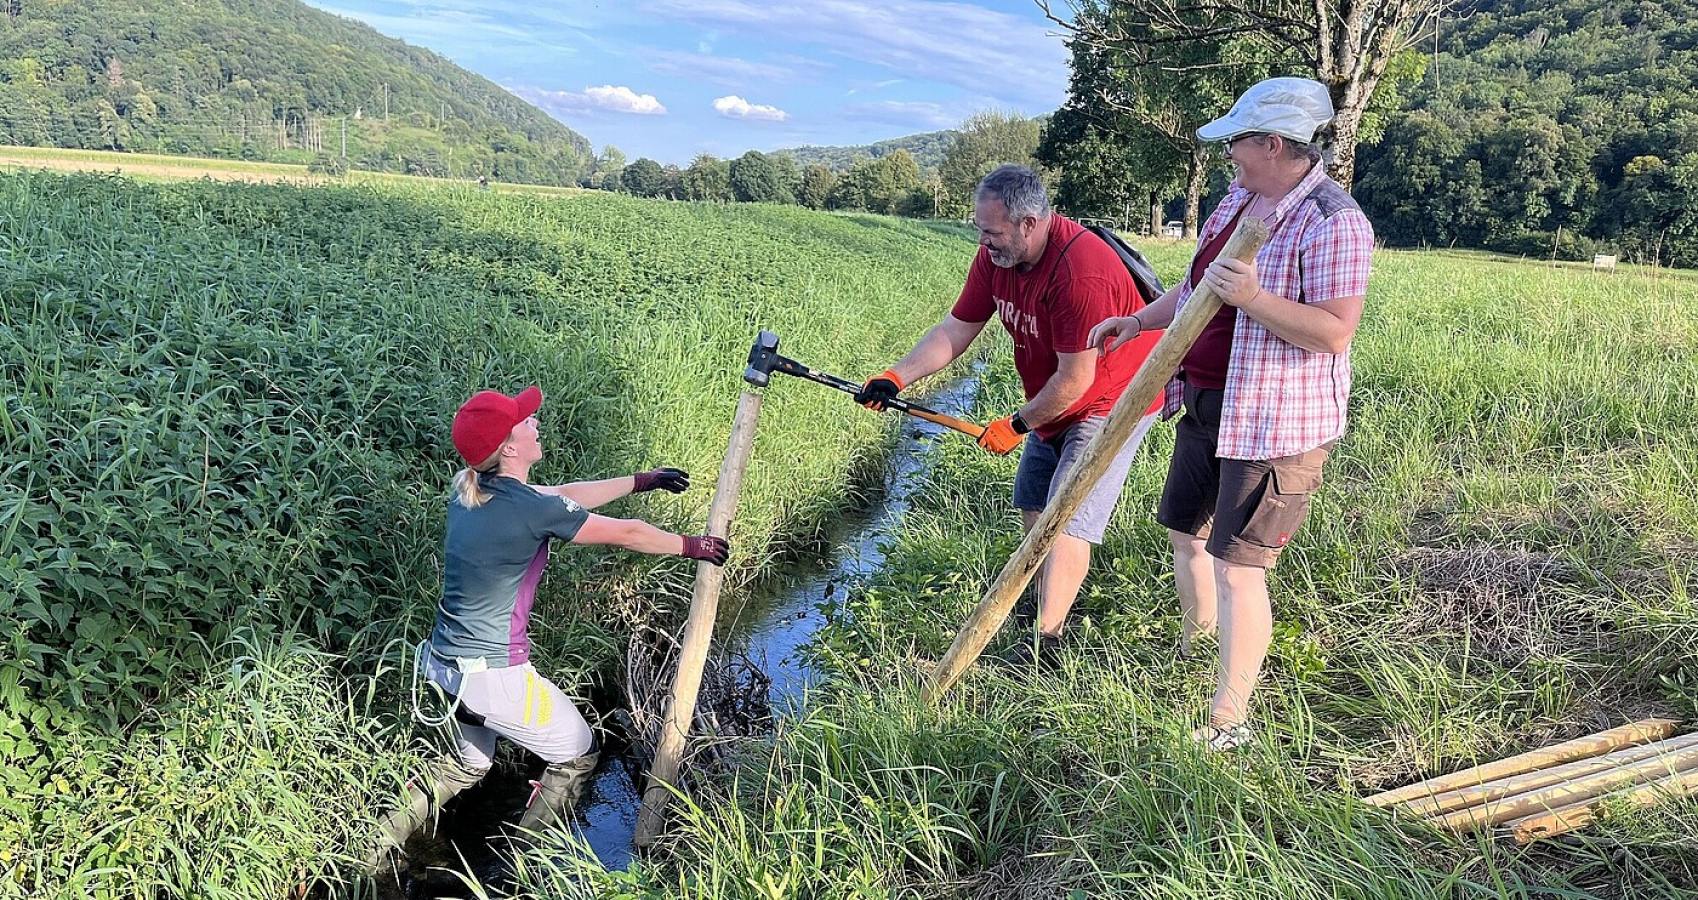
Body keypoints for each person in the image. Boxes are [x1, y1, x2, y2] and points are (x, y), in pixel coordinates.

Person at [1089, 78, 1374, 751]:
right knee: (1187, 535)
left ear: (1274, 144)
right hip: (1209, 403)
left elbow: (1334, 332)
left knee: (1240, 567)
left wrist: (1254, 297)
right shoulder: (1240, 199)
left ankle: (1229, 721)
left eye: (1238, 144)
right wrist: (1139, 320)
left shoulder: (1333, 220)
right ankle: (1197, 649)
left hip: (1276, 423)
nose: (1229, 158)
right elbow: (1195, 289)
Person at [370, 385, 729, 863]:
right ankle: (522, 867)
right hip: (496, 678)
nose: (535, 422)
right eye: (525, 421)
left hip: (443, 668)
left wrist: (640, 480)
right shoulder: (529, 508)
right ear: (510, 448)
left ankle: (372, 845)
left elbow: (563, 496)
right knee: (578, 753)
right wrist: (692, 546)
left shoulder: (469, 491)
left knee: (466, 765)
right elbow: (623, 533)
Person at [856, 164, 1164, 667]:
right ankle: (1039, 599)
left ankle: (1047, 646)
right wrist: (897, 376)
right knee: (1033, 503)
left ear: (1028, 223)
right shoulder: (995, 258)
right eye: (981, 230)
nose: (984, 242)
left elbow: (1076, 381)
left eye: (992, 232)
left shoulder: (1080, 270)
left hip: (1111, 399)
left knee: (1067, 518)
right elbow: (957, 329)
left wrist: (1017, 424)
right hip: (1054, 398)